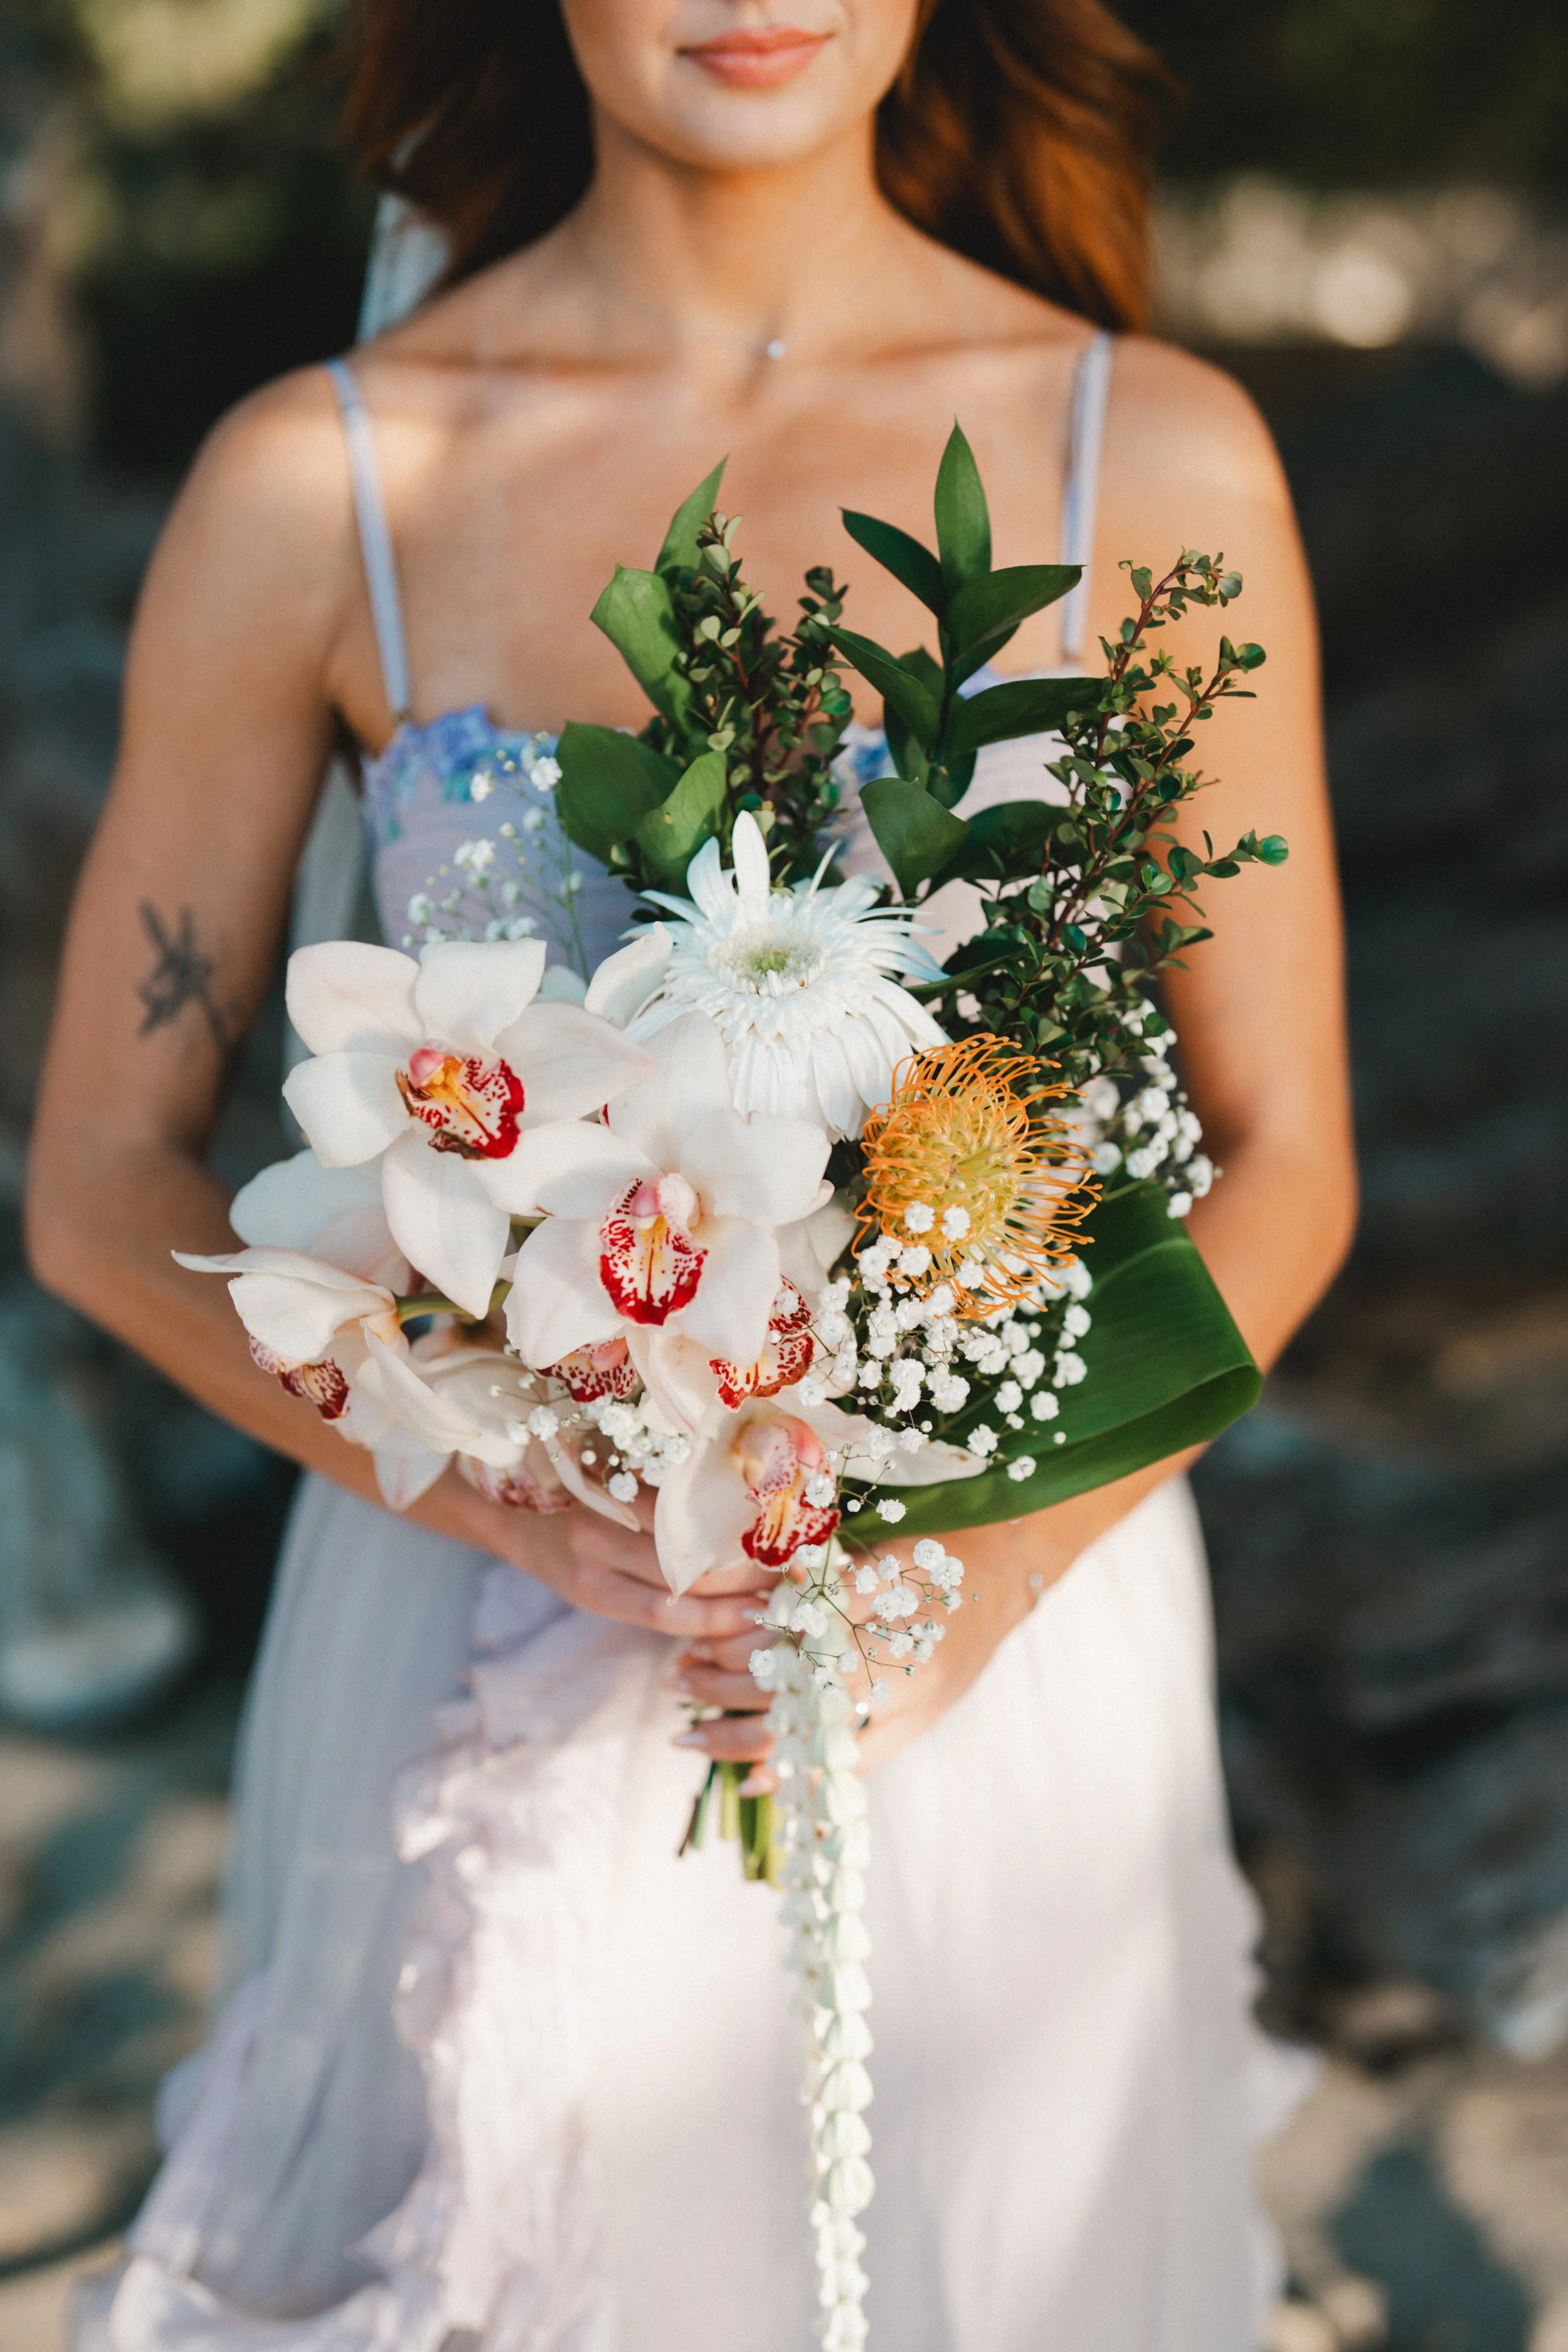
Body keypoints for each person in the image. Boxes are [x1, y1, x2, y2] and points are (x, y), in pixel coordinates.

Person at [28, 0, 1355, 2343]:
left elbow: (1283, 1158)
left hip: (998, 1640)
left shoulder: (1141, 457)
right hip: (467, 1622)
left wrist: (959, 1583)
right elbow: (101, 1176)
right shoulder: (320, 480)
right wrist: (494, 1495)